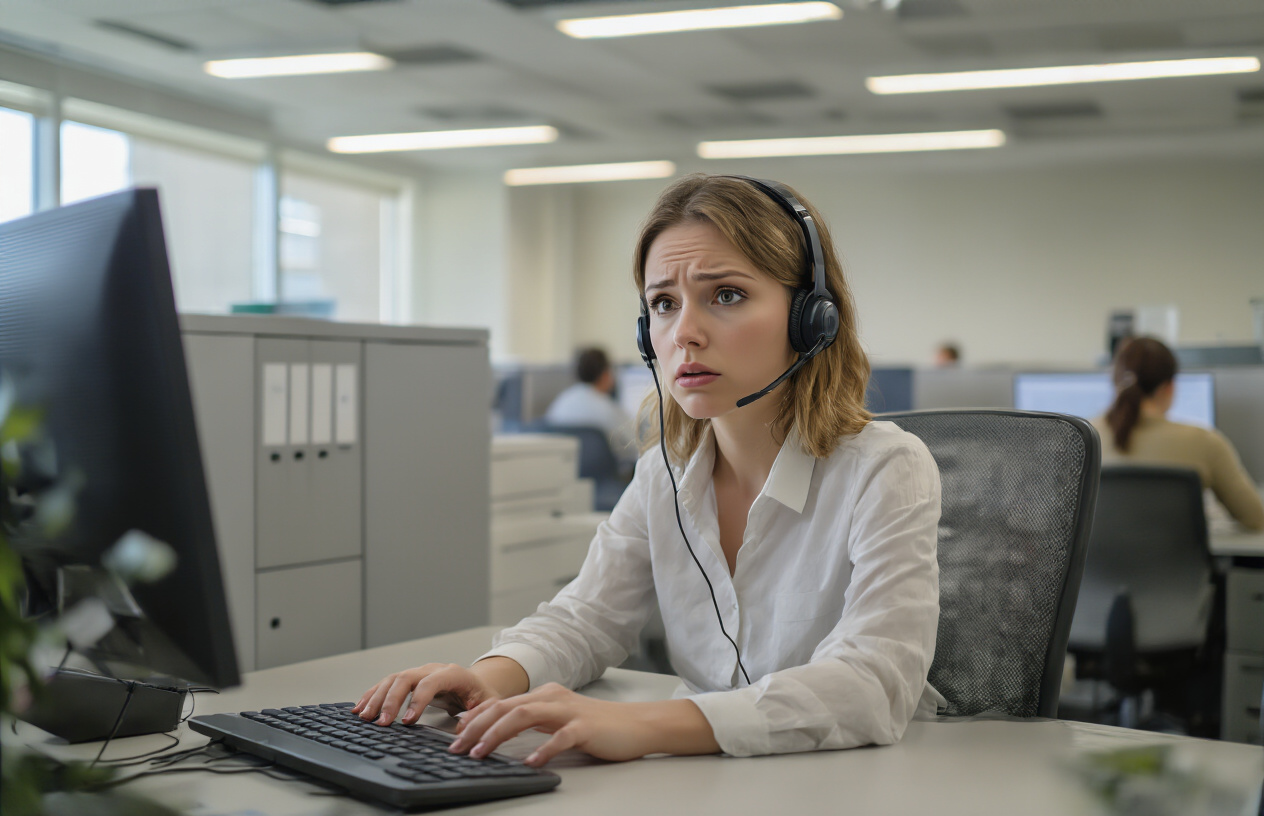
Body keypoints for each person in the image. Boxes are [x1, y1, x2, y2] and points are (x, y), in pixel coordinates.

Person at [353, 174, 943, 765]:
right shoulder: (666, 472)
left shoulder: (885, 469)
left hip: (852, 782)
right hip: (706, 787)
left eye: (727, 294)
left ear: (812, 319)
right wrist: (492, 676)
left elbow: (873, 680)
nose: (684, 333)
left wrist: (638, 724)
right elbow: (588, 617)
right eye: (663, 304)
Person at [1092, 336, 1264, 530]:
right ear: (1169, 387)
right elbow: (1255, 518)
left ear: (1114, 381)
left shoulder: (1078, 439)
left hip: (1097, 561)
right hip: (1179, 560)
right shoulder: (1205, 442)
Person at [544, 347, 638, 467]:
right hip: (606, 481)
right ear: (605, 374)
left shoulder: (560, 402)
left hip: (569, 477)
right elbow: (635, 448)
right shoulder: (608, 409)